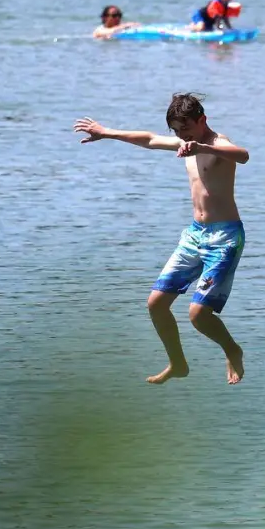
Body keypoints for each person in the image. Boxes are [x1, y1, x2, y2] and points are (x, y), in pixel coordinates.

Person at [73, 92, 249, 384]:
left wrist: (203, 146)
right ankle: (178, 364)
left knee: (198, 315)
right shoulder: (184, 142)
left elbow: (242, 155)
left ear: (202, 120)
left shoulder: (218, 144)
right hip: (195, 235)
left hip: (224, 238)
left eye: (186, 129)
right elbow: (149, 139)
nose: (182, 136)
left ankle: (232, 349)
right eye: (178, 132)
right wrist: (107, 133)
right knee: (156, 303)